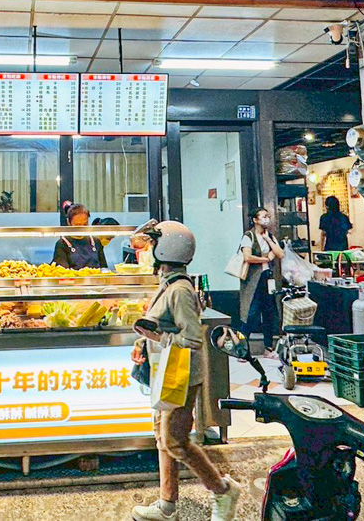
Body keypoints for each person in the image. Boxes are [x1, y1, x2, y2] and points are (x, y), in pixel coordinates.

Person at [131, 221, 241, 521]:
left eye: (153, 245)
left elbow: (192, 337)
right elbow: (162, 324)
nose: (148, 251)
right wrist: (144, 340)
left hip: (180, 377)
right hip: (165, 373)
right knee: (162, 436)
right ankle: (167, 504)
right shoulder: (169, 283)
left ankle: (222, 490)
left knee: (176, 441)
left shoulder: (180, 290)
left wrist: (156, 337)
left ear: (166, 249)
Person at [239, 207, 284, 359]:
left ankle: (268, 348)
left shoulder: (269, 235)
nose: (267, 219)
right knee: (250, 314)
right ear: (255, 220)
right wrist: (265, 258)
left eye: (268, 216)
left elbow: (280, 254)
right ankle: (242, 350)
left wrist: (269, 240)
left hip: (267, 278)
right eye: (263, 216)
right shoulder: (248, 236)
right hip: (253, 281)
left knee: (269, 312)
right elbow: (247, 257)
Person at [52, 202, 107, 269]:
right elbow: (62, 272)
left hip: (95, 279)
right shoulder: (62, 244)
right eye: (77, 225)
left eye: (85, 224)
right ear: (69, 222)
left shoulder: (95, 241)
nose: (82, 228)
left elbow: (104, 268)